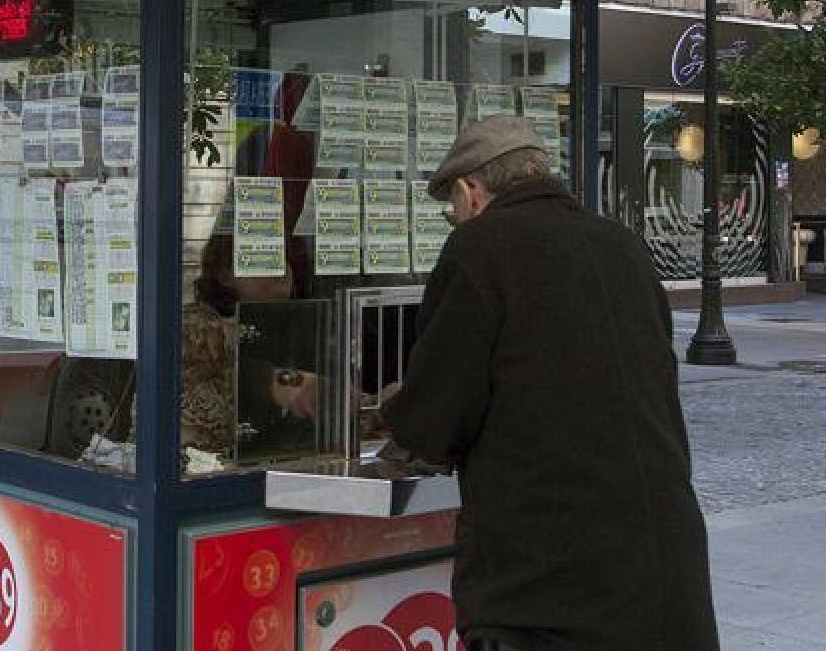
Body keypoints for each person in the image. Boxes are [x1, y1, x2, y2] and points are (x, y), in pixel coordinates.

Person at [379, 114, 720, 651]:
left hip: (549, 588)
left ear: (471, 191)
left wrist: (395, 405)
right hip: (665, 575)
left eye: (453, 211)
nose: (457, 219)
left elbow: (432, 422)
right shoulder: (623, 246)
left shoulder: (480, 249)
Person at [183, 233, 317, 457]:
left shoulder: (298, 321)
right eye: (259, 256)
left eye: (281, 256)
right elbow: (195, 394)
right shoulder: (197, 326)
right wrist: (272, 384)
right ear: (225, 274)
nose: (279, 267)